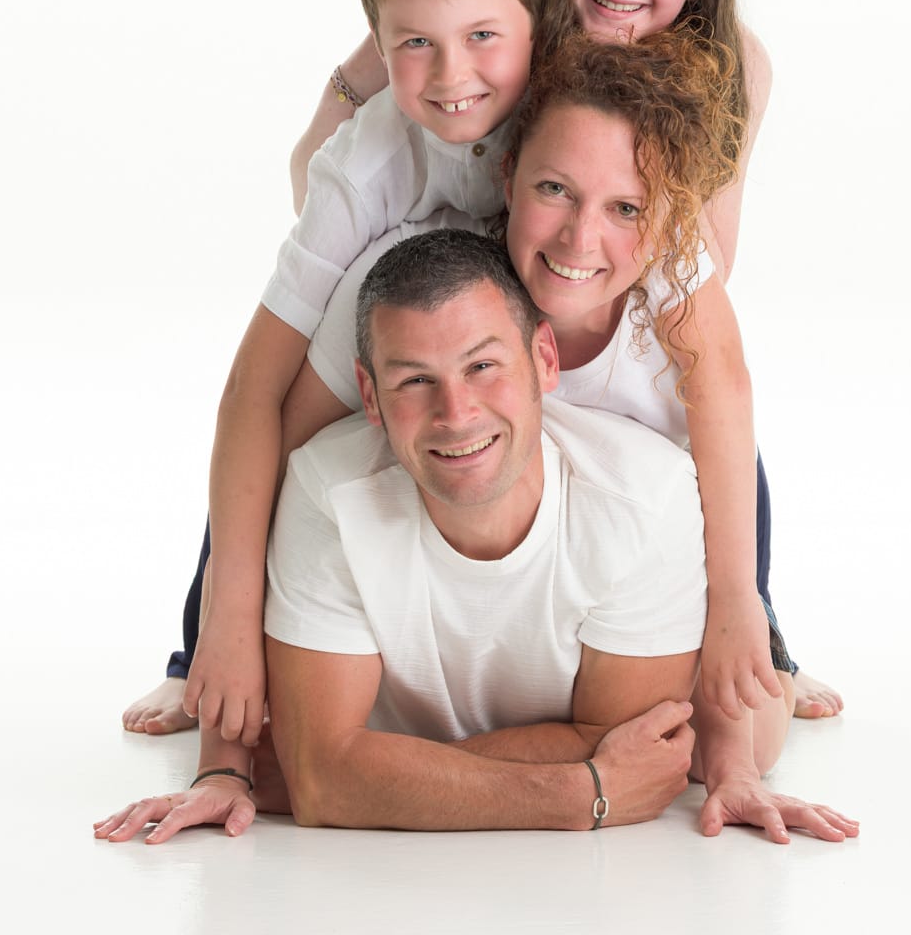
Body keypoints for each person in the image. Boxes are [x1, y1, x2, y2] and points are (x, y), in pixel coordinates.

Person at [123, 0, 840, 739]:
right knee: (309, 391)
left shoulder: (691, 75)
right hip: (443, 258)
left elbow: (712, 283)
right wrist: (353, 107)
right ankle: (207, 638)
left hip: (559, 273)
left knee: (701, 392)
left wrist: (616, 252)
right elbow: (332, 156)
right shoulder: (472, 32)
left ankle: (752, 624)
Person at [96, 231, 858, 843]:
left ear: (545, 359)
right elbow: (328, 782)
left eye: (483, 366)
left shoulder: (645, 495)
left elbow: (647, 754)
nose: (456, 413)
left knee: (748, 727)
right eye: (413, 380)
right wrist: (579, 790)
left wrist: (354, 772)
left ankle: (777, 658)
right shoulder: (329, 492)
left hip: (674, 573)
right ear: (368, 394)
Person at [123, 0, 546, 749]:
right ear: (377, 48)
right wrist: (228, 626)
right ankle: (197, 643)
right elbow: (250, 390)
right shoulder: (364, 163)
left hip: (514, 296)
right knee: (279, 432)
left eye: (481, 36)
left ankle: (761, 627)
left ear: (535, 28)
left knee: (672, 378)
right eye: (415, 43)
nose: (454, 73)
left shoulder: (560, 108)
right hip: (396, 291)